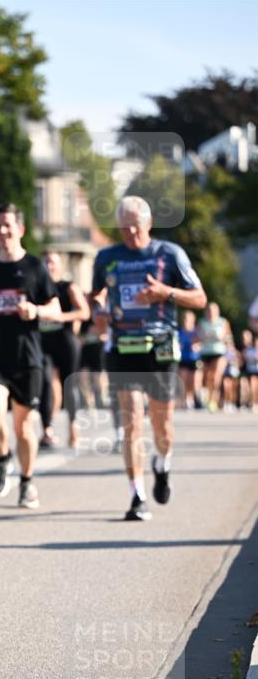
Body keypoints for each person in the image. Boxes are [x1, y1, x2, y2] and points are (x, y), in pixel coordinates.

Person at [89, 196, 207, 521]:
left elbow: (199, 298)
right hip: (122, 347)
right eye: (123, 227)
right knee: (131, 422)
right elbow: (95, 295)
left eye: (135, 226)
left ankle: (162, 463)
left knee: (162, 426)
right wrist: (98, 311)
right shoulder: (107, 257)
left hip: (160, 347)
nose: (129, 233)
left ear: (149, 223)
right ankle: (137, 495)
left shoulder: (169, 254)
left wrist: (166, 293)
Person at [0, 203, 61, 509]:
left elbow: (56, 309)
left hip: (27, 357)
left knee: (24, 428)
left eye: (7, 225)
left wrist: (35, 310)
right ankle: (2, 456)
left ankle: (26, 482)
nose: (2, 231)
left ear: (20, 229)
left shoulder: (35, 267)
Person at [41, 251, 90, 447]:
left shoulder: (68, 287)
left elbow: (84, 312)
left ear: (60, 266)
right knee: (45, 382)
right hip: (43, 342)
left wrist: (60, 317)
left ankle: (73, 427)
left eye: (53, 262)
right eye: (46, 262)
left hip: (65, 341)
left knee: (69, 385)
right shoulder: (36, 287)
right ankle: (47, 430)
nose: (49, 266)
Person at [197, 302, 231, 412]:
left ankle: (214, 400)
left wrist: (224, 339)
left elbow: (229, 337)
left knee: (216, 377)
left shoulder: (223, 322)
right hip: (206, 351)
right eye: (209, 310)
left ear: (217, 311)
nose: (211, 313)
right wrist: (201, 338)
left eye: (213, 310)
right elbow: (196, 337)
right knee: (208, 377)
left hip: (219, 351)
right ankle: (208, 399)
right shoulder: (202, 322)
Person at [177, 309, 201, 410]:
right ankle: (186, 399)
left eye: (188, 319)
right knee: (184, 380)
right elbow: (176, 343)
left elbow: (202, 343)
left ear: (193, 320)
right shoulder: (179, 332)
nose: (186, 321)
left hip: (194, 359)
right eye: (184, 319)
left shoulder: (196, 332)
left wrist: (198, 346)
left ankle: (192, 398)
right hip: (183, 358)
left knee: (194, 381)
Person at [239, 329, 258, 410]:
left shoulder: (253, 348)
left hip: (254, 370)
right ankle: (246, 403)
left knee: (254, 386)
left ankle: (254, 402)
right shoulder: (242, 348)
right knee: (245, 386)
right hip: (245, 370)